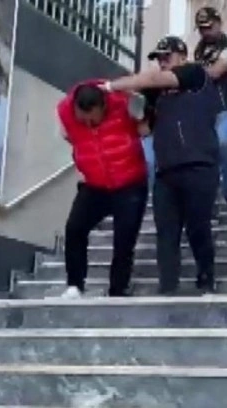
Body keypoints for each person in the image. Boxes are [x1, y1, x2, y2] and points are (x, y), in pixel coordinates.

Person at [99, 36, 225, 295]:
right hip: (166, 172)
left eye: (167, 56)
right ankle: (167, 286)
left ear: (182, 56)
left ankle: (206, 276)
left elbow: (155, 79)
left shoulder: (195, 74)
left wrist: (112, 86)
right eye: (158, 58)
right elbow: (144, 128)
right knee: (166, 232)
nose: (162, 62)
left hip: (200, 165)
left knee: (198, 227)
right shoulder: (156, 96)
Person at [56, 82, 149, 298]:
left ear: (104, 106)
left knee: (124, 239)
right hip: (95, 184)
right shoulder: (65, 111)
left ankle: (118, 289)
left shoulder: (124, 102)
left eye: (93, 119)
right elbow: (68, 136)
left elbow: (145, 128)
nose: (88, 124)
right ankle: (74, 285)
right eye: (83, 120)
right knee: (74, 228)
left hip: (130, 182)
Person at [193, 6, 227, 215]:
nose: (205, 31)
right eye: (201, 28)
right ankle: (210, 198)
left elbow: (216, 72)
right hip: (205, 112)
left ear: (218, 23)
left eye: (209, 26)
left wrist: (192, 73)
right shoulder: (198, 51)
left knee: (223, 141)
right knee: (206, 152)